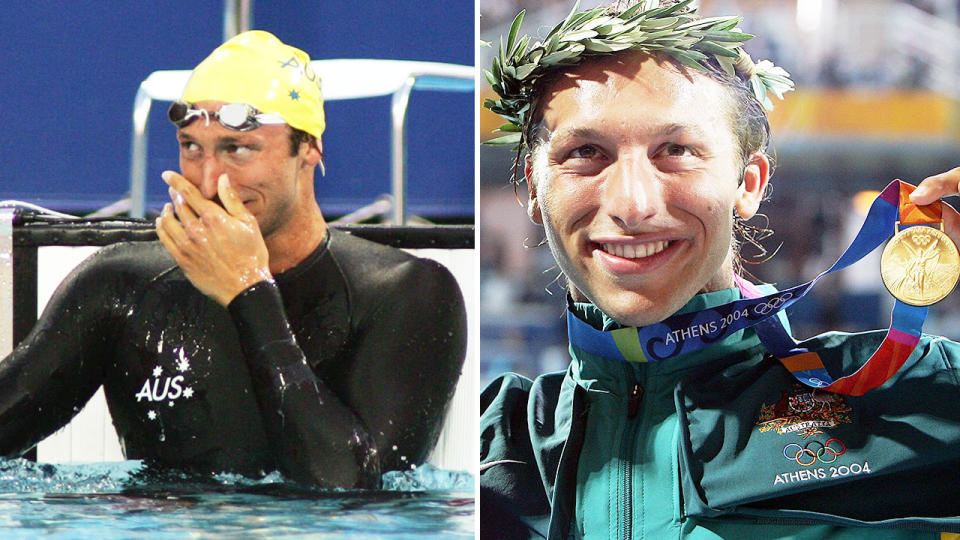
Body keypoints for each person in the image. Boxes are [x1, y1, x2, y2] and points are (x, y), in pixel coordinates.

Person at [480, 1, 960, 538]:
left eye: (677, 150)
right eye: (586, 151)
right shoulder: (486, 447)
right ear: (532, 188)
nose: (632, 204)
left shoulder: (917, 394)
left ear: (748, 183)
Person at [0, 30, 467, 489]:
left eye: (238, 148)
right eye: (191, 148)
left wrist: (248, 291)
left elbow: (346, 491)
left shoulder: (406, 293)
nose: (208, 181)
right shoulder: (119, 286)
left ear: (308, 147)